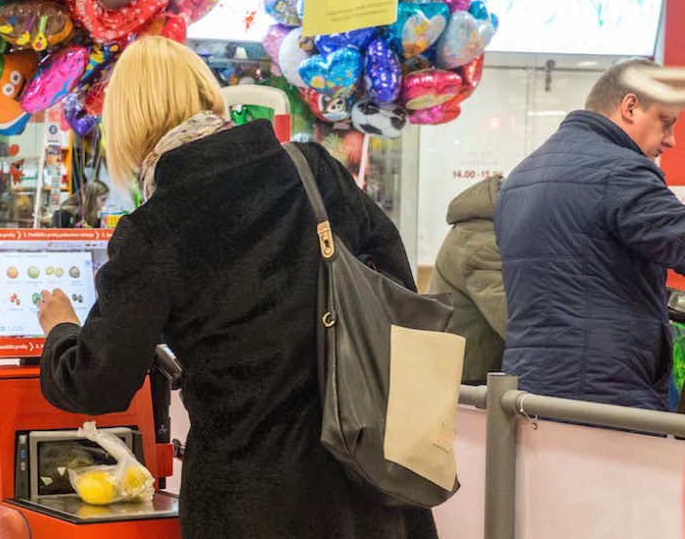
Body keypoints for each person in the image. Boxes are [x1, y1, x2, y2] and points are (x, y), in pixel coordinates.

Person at [35, 37, 436, 538]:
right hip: (371, 478)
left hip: (254, 498)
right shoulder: (312, 168)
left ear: (128, 125)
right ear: (207, 95)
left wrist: (61, 331)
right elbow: (395, 282)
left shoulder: (155, 229)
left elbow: (98, 383)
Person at [496, 58, 682, 410]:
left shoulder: (521, 176)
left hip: (529, 393)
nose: (671, 140)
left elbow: (583, 273)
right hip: (607, 400)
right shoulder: (621, 171)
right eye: (665, 122)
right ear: (630, 107)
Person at [428, 174, 506, 385]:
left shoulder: (477, 231)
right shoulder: (479, 243)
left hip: (462, 373)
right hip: (469, 380)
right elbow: (511, 319)